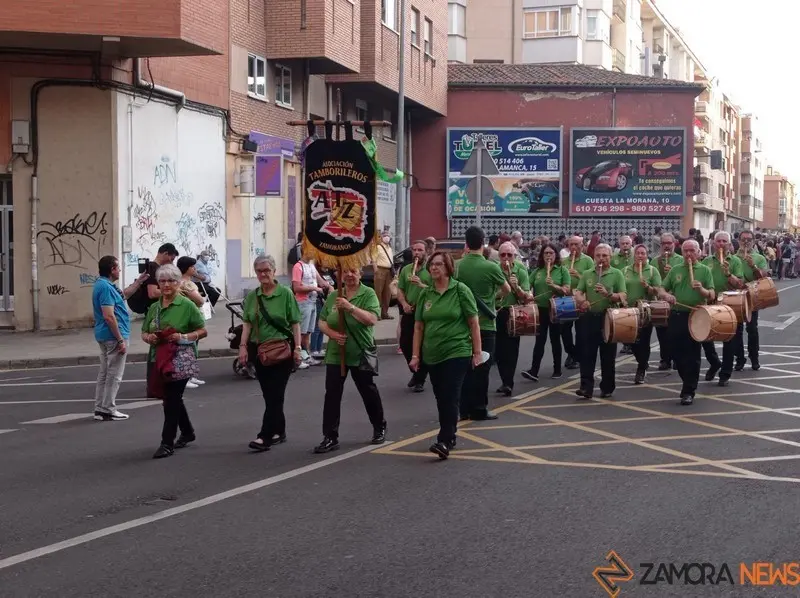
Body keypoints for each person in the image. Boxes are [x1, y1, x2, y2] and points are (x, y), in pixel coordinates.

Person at [410, 251, 482, 460]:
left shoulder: (460, 290)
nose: (434, 268)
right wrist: (415, 355)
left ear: (448, 268)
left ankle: (445, 439)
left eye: (439, 265)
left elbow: (473, 323)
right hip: (432, 353)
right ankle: (448, 434)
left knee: (450, 395)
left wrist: (476, 352)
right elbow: (418, 326)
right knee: (441, 397)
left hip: (457, 351)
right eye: (432, 264)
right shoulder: (426, 293)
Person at [314, 267, 387, 453]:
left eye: (353, 271)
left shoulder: (368, 293)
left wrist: (350, 307)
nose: (349, 275)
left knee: (367, 390)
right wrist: (333, 334)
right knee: (332, 394)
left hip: (360, 352)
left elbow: (371, 319)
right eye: (345, 271)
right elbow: (322, 321)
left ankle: (379, 427)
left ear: (360, 274)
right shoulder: (334, 295)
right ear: (339, 275)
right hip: (336, 354)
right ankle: (330, 436)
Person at [142, 264, 208, 459]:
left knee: (171, 399)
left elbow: (202, 331)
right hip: (159, 358)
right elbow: (144, 331)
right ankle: (187, 432)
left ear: (179, 283)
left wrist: (183, 336)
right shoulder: (154, 308)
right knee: (170, 398)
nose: (167, 285)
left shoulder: (187, 305)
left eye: (171, 281)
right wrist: (149, 338)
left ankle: (166, 443)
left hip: (180, 358)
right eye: (162, 281)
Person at [239, 255, 303, 452]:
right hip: (261, 353)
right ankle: (280, 431)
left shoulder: (285, 294)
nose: (263, 274)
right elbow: (248, 323)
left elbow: (295, 322)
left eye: (267, 270)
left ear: (274, 271)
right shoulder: (253, 296)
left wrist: (298, 348)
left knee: (275, 395)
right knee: (270, 396)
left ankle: (265, 436)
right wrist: (242, 346)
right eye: (259, 271)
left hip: (282, 351)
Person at [455, 226, 510, 420]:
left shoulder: (457, 265)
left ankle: (462, 409)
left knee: (463, 368)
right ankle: (479, 408)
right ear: (483, 242)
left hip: (461, 324)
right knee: (482, 367)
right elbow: (507, 289)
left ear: (467, 242)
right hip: (485, 323)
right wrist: (493, 300)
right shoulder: (491, 266)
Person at [92, 256, 149, 421]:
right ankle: (108, 408)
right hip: (112, 336)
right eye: (118, 268)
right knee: (114, 375)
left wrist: (139, 282)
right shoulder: (105, 288)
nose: (120, 270)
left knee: (105, 373)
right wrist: (120, 340)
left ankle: (101, 408)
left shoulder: (105, 285)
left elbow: (122, 295)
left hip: (105, 335)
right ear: (112, 270)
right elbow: (109, 316)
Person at [659, 240, 715, 405]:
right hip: (677, 314)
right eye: (686, 251)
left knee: (692, 354)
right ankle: (686, 380)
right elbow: (661, 288)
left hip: (697, 315)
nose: (689, 254)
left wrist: (701, 290)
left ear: (698, 252)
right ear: (682, 252)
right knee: (675, 351)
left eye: (692, 251)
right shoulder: (676, 269)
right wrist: (666, 295)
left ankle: (689, 390)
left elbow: (711, 294)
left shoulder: (704, 270)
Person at [573, 244, 627, 399]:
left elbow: (623, 295)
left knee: (608, 355)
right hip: (589, 317)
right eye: (598, 256)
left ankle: (607, 387)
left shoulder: (617, 274)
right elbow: (579, 292)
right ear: (594, 257)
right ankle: (586, 387)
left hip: (609, 317)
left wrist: (608, 294)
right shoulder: (587, 273)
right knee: (586, 354)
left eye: (605, 256)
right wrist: (582, 301)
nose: (601, 259)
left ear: (610, 257)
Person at [521, 243, 569, 383]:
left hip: (556, 309)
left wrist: (554, 286)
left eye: (551, 253)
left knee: (555, 340)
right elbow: (527, 286)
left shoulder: (561, 270)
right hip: (540, 309)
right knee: (539, 341)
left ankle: (557, 369)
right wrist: (528, 294)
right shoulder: (538, 271)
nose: (548, 256)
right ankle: (534, 370)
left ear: (556, 255)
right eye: (546, 253)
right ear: (542, 256)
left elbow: (566, 290)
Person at [701, 231, 744, 387]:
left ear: (729, 244)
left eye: (724, 241)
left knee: (729, 339)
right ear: (713, 243)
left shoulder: (736, 261)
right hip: (710, 303)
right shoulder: (706, 261)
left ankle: (725, 373)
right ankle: (714, 363)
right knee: (704, 336)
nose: (721, 244)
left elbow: (739, 284)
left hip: (729, 305)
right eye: (718, 241)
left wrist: (728, 274)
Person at [494, 241, 532, 396]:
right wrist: (501, 293)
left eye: (509, 255)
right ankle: (504, 380)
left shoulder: (521, 270)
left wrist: (517, 288)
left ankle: (508, 382)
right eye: (503, 255)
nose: (506, 258)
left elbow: (527, 298)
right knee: (499, 350)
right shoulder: (494, 270)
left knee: (511, 349)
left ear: (515, 256)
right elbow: (490, 294)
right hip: (497, 311)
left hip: (514, 312)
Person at [396, 240, 433, 392]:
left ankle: (420, 378)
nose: (416, 253)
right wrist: (404, 303)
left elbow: (435, 290)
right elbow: (400, 290)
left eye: (420, 250)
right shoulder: (406, 269)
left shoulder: (430, 269)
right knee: (405, 343)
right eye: (414, 250)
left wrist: (421, 284)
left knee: (422, 345)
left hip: (424, 310)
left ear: (426, 252)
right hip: (409, 309)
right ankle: (416, 372)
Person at [624, 245, 663, 385]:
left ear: (647, 255)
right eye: (638, 253)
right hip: (629, 311)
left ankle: (641, 368)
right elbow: (622, 288)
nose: (640, 256)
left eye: (643, 253)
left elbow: (658, 291)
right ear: (634, 256)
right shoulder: (626, 270)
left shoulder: (652, 271)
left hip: (646, 311)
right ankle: (642, 361)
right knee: (630, 340)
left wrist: (648, 287)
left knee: (644, 340)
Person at [735, 230, 770, 371]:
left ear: (754, 241)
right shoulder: (732, 257)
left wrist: (753, 266)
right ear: (738, 240)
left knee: (752, 329)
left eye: (749, 239)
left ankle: (754, 358)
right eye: (743, 239)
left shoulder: (759, 258)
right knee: (736, 330)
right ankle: (739, 359)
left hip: (751, 296)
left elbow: (763, 278)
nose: (746, 242)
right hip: (736, 296)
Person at [650, 233, 684, 370]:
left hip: (676, 301)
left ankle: (677, 358)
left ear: (674, 244)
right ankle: (665, 359)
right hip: (660, 302)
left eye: (669, 243)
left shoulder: (681, 260)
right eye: (664, 243)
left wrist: (672, 274)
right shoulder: (654, 261)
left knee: (676, 332)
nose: (666, 246)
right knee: (661, 332)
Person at [291, 253, 331, 368]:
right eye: (312, 250)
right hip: (303, 302)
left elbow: (320, 280)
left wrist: (329, 286)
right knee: (301, 332)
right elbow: (296, 288)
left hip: (312, 301)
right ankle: (299, 356)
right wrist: (314, 288)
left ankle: (307, 355)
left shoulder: (311, 265)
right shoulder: (298, 266)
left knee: (308, 331)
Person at [563, 235, 595, 370]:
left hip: (582, 300)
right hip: (567, 300)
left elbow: (593, 281)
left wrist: (578, 275)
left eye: (577, 244)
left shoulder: (588, 261)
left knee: (581, 331)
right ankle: (572, 352)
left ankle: (576, 357)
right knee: (564, 331)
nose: (574, 247)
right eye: (571, 245)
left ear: (582, 246)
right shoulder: (563, 261)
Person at [177, 256, 208, 388]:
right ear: (187, 268)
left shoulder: (181, 282)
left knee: (191, 346)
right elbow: (199, 300)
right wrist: (203, 298)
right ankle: (186, 377)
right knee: (189, 347)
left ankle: (190, 375)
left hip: (189, 317)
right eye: (192, 267)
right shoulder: (186, 283)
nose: (194, 269)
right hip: (189, 318)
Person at [373, 232, 395, 319]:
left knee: (387, 293)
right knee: (378, 292)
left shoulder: (390, 248)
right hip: (380, 269)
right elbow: (373, 259)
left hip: (389, 271)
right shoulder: (378, 247)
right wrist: (376, 271)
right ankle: (377, 313)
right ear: (381, 237)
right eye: (385, 235)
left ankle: (385, 313)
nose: (387, 237)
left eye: (388, 235)